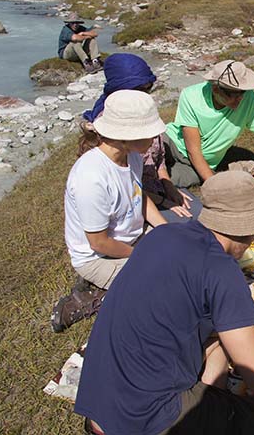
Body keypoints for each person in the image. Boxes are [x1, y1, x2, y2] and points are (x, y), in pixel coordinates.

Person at [75, 171, 254, 435]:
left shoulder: (162, 235)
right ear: (251, 230)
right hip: (145, 417)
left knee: (218, 344)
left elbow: (192, 308)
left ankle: (210, 411)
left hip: (100, 401)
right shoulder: (222, 269)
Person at [50, 90, 169, 333]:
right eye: (149, 132)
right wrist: (140, 255)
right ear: (126, 136)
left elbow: (138, 195)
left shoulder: (131, 156)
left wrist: (167, 230)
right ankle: (88, 299)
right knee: (164, 289)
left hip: (131, 236)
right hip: (97, 257)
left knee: (182, 250)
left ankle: (116, 283)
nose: (156, 136)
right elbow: (99, 243)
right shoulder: (91, 177)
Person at [82, 53, 200, 223]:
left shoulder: (143, 110)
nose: (145, 94)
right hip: (133, 201)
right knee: (188, 228)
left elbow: (158, 160)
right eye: (139, 89)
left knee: (199, 216)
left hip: (154, 188)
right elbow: (127, 185)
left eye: (148, 88)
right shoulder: (110, 130)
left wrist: (168, 186)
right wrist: (163, 202)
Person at [164, 59, 254, 195]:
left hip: (197, 164)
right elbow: (193, 149)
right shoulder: (191, 96)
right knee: (148, 156)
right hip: (172, 143)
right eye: (233, 94)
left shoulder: (248, 98)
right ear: (215, 89)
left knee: (164, 180)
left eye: (242, 93)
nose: (240, 99)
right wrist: (215, 186)